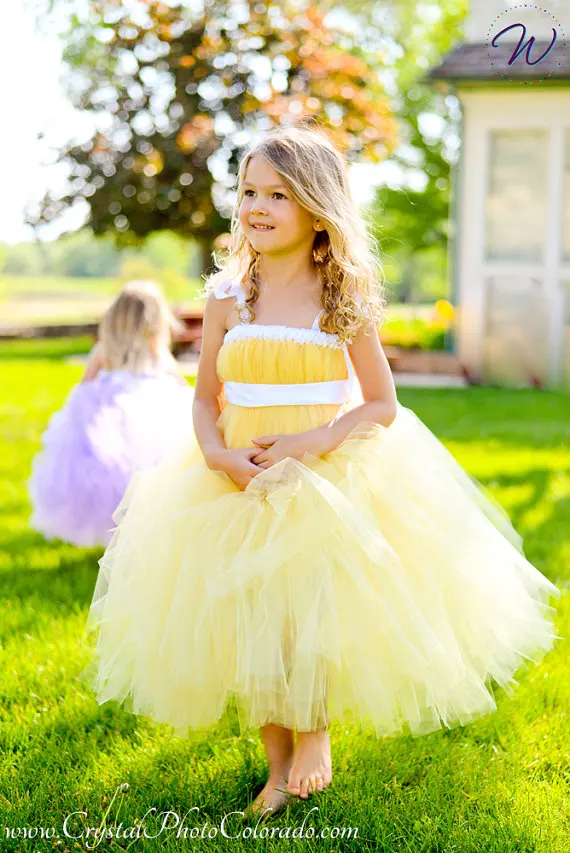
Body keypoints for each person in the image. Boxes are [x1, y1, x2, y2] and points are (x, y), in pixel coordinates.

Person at [80, 123, 561, 820]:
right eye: (249, 191)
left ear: (316, 208)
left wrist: (314, 440)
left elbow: (381, 403)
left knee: (308, 613)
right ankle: (276, 767)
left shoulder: (340, 298)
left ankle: (315, 734)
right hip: (236, 476)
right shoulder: (227, 298)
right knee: (253, 621)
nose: (258, 206)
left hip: (323, 474)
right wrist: (217, 454)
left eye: (278, 194)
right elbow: (206, 398)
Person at [28, 280, 195, 548]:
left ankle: (121, 535)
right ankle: (141, 533)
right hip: (150, 417)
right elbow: (178, 382)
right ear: (156, 320)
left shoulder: (104, 350)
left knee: (116, 477)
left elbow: (84, 387)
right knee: (147, 472)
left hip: (111, 418)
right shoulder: (157, 351)